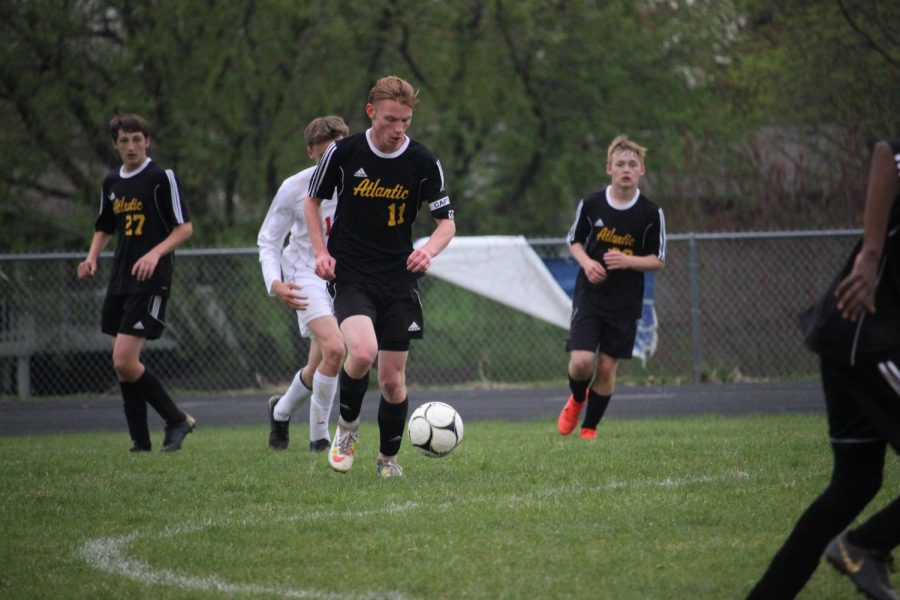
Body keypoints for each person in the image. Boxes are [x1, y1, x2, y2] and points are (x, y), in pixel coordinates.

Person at [746, 140, 900, 600]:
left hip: (856, 334)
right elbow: (888, 154)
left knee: (855, 483)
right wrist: (870, 255)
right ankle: (863, 547)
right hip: (869, 331)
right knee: (853, 485)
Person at [305, 75, 456, 478]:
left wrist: (427, 250)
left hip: (398, 277)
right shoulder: (342, 152)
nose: (398, 129)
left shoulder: (424, 162)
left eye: (405, 121)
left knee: (392, 381)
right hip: (351, 272)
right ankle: (347, 430)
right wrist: (320, 252)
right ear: (371, 112)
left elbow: (446, 224)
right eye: (390, 119)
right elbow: (312, 200)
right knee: (363, 352)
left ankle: (388, 461)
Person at [77, 113, 196, 452]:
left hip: (150, 278)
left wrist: (154, 254)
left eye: (137, 139)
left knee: (124, 361)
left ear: (147, 141)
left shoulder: (161, 177)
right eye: (124, 140)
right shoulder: (111, 182)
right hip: (120, 279)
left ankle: (176, 420)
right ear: (115, 144)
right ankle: (140, 442)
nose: (131, 146)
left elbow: (184, 228)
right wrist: (91, 258)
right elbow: (104, 226)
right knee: (123, 367)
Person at [557, 135, 667, 440]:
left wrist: (629, 261)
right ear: (609, 169)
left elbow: (658, 260)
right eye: (620, 164)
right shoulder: (592, 204)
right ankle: (578, 399)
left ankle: (589, 430)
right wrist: (586, 263)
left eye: (633, 164)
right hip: (590, 295)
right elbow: (574, 242)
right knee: (581, 362)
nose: (626, 169)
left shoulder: (650, 212)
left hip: (625, 300)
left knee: (606, 368)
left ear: (642, 170)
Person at [258, 115, 349, 452]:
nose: (332, 161)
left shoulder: (362, 182)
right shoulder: (295, 187)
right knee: (337, 348)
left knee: (320, 365)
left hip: (345, 277)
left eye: (338, 152)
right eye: (324, 155)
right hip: (305, 273)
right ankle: (319, 440)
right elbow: (268, 239)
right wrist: (275, 283)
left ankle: (280, 410)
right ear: (311, 153)